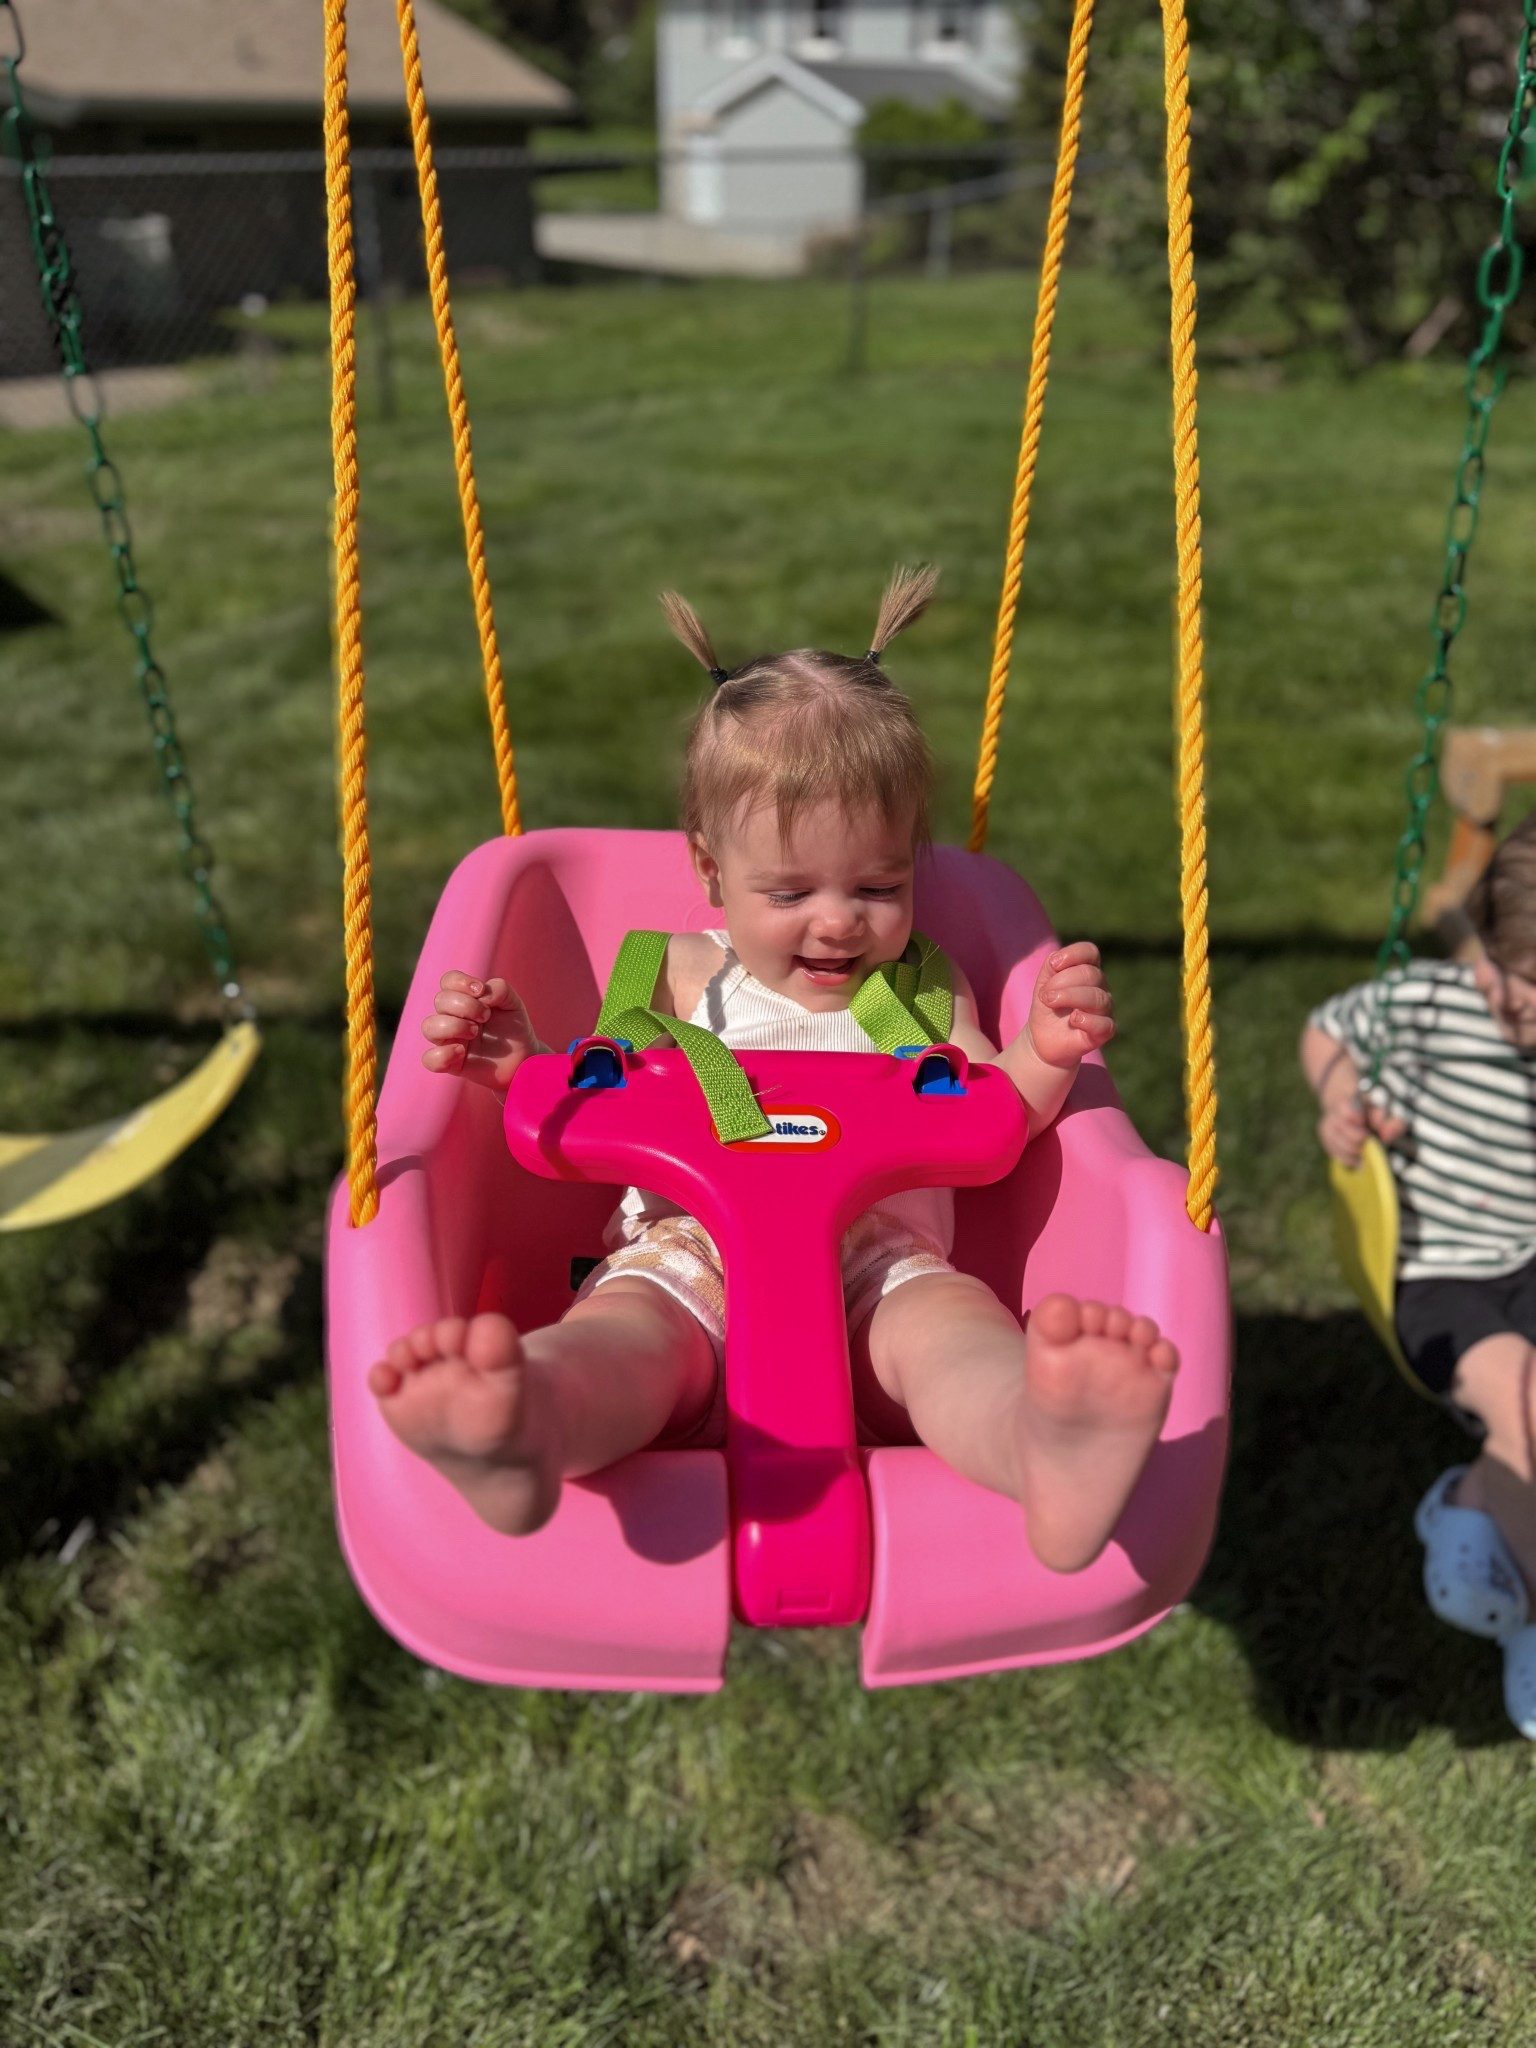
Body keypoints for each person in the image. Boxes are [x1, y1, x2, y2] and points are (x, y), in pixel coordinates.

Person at [368, 566, 1179, 1575]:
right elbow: (591, 1102)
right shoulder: (666, 975)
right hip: (688, 1255)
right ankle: (526, 1419)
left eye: (879, 884)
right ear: (711, 870)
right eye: (790, 889)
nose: (840, 919)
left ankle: (1043, 1445)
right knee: (622, 1336)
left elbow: (990, 1114)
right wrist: (521, 1064)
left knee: (955, 1339)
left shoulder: (923, 988)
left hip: (882, 1268)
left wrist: (1044, 1049)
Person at [1302, 813, 1536, 1738]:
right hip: (1442, 1278)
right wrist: (1342, 1101)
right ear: (1487, 958)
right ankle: (1529, 1622)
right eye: (1520, 985)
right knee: (1523, 1409)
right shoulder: (1433, 1007)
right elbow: (1329, 1032)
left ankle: (1471, 1502)